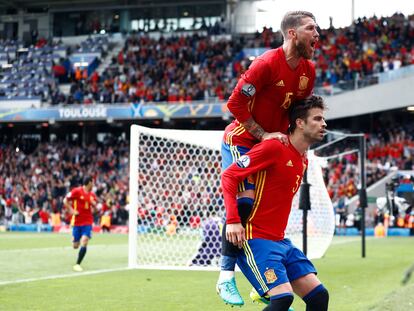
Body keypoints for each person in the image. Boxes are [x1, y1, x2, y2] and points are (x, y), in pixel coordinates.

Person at [217, 11, 320, 306]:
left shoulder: (308, 72)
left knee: (262, 212)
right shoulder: (265, 64)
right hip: (243, 139)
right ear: (291, 33)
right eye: (311, 29)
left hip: (274, 143)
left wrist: (297, 145)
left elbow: (297, 116)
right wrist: (261, 134)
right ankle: (225, 277)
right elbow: (235, 102)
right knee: (244, 204)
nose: (317, 35)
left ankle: (259, 281)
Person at [222, 95, 329, 311]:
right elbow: (229, 176)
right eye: (317, 119)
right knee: (282, 299)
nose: (324, 123)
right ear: (299, 123)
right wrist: (233, 220)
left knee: (319, 296)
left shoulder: (303, 159)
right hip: (254, 239)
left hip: (280, 241)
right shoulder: (273, 148)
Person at [63, 176, 97, 272]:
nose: (94, 184)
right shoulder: (76, 191)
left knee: (85, 240)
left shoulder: (92, 195)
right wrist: (71, 210)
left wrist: (94, 205)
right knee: (75, 246)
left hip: (88, 221)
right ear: (89, 182)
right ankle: (74, 239)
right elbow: (65, 200)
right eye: (93, 182)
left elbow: (95, 208)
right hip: (77, 222)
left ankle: (77, 264)